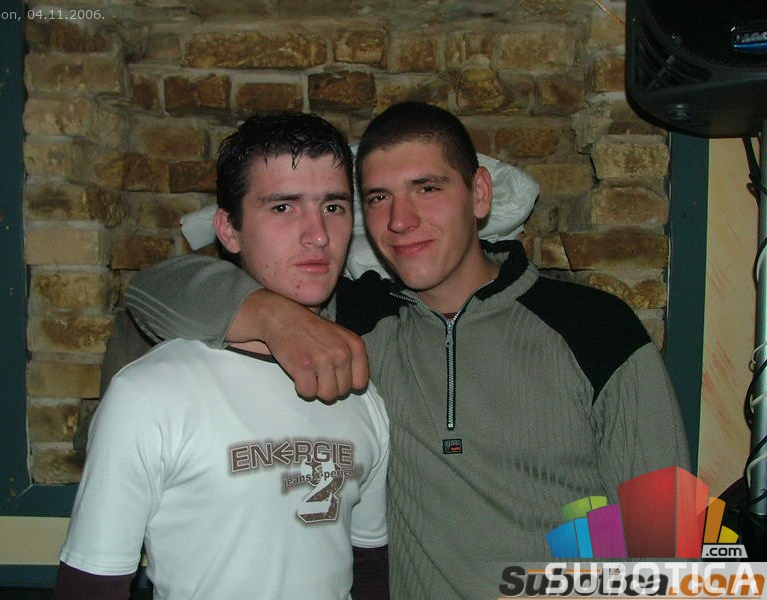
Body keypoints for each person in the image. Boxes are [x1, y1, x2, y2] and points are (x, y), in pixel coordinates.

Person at [125, 102, 691, 599]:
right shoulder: (355, 321)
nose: (401, 220)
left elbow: (670, 543)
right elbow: (151, 291)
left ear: (479, 195)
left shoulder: (595, 328)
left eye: (427, 188)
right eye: (378, 198)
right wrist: (274, 318)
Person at [53, 113, 390, 600]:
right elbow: (90, 585)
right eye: (283, 207)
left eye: (333, 206)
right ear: (229, 231)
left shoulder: (359, 387)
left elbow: (370, 569)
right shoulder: (149, 394)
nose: (318, 234)